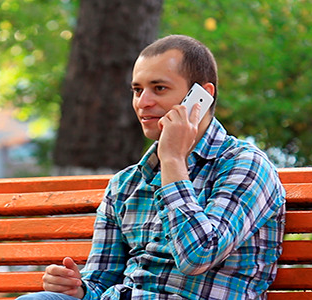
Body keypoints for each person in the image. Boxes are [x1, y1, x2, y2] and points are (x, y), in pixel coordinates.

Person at [20, 34, 286, 300]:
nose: (142, 102)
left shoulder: (246, 165)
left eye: (159, 88)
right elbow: (100, 280)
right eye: (137, 90)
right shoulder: (126, 184)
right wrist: (78, 289)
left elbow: (199, 255)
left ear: (202, 96)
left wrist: (172, 160)